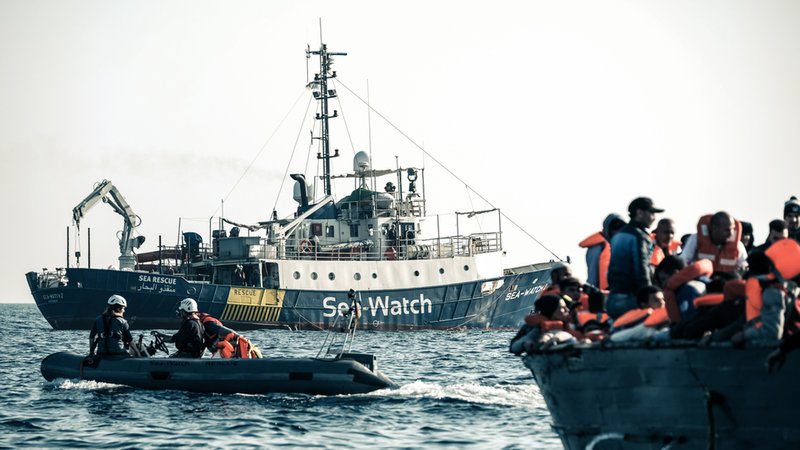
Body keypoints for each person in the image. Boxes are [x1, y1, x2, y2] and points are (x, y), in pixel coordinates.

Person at [606, 197, 663, 319]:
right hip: (630, 300)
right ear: (640, 213)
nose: (654, 217)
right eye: (651, 212)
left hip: (613, 299)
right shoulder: (639, 236)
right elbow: (641, 268)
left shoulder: (618, 235)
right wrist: (649, 296)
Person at [680, 211, 748, 275]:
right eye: (727, 230)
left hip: (726, 281)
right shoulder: (696, 239)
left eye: (732, 230)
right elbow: (683, 261)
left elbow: (744, 265)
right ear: (714, 228)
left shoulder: (738, 246)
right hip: (701, 279)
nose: (731, 234)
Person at [578, 213, 626, 291]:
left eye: (622, 227)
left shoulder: (625, 246)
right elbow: (592, 277)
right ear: (607, 230)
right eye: (615, 228)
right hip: (605, 295)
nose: (618, 231)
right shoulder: (596, 248)